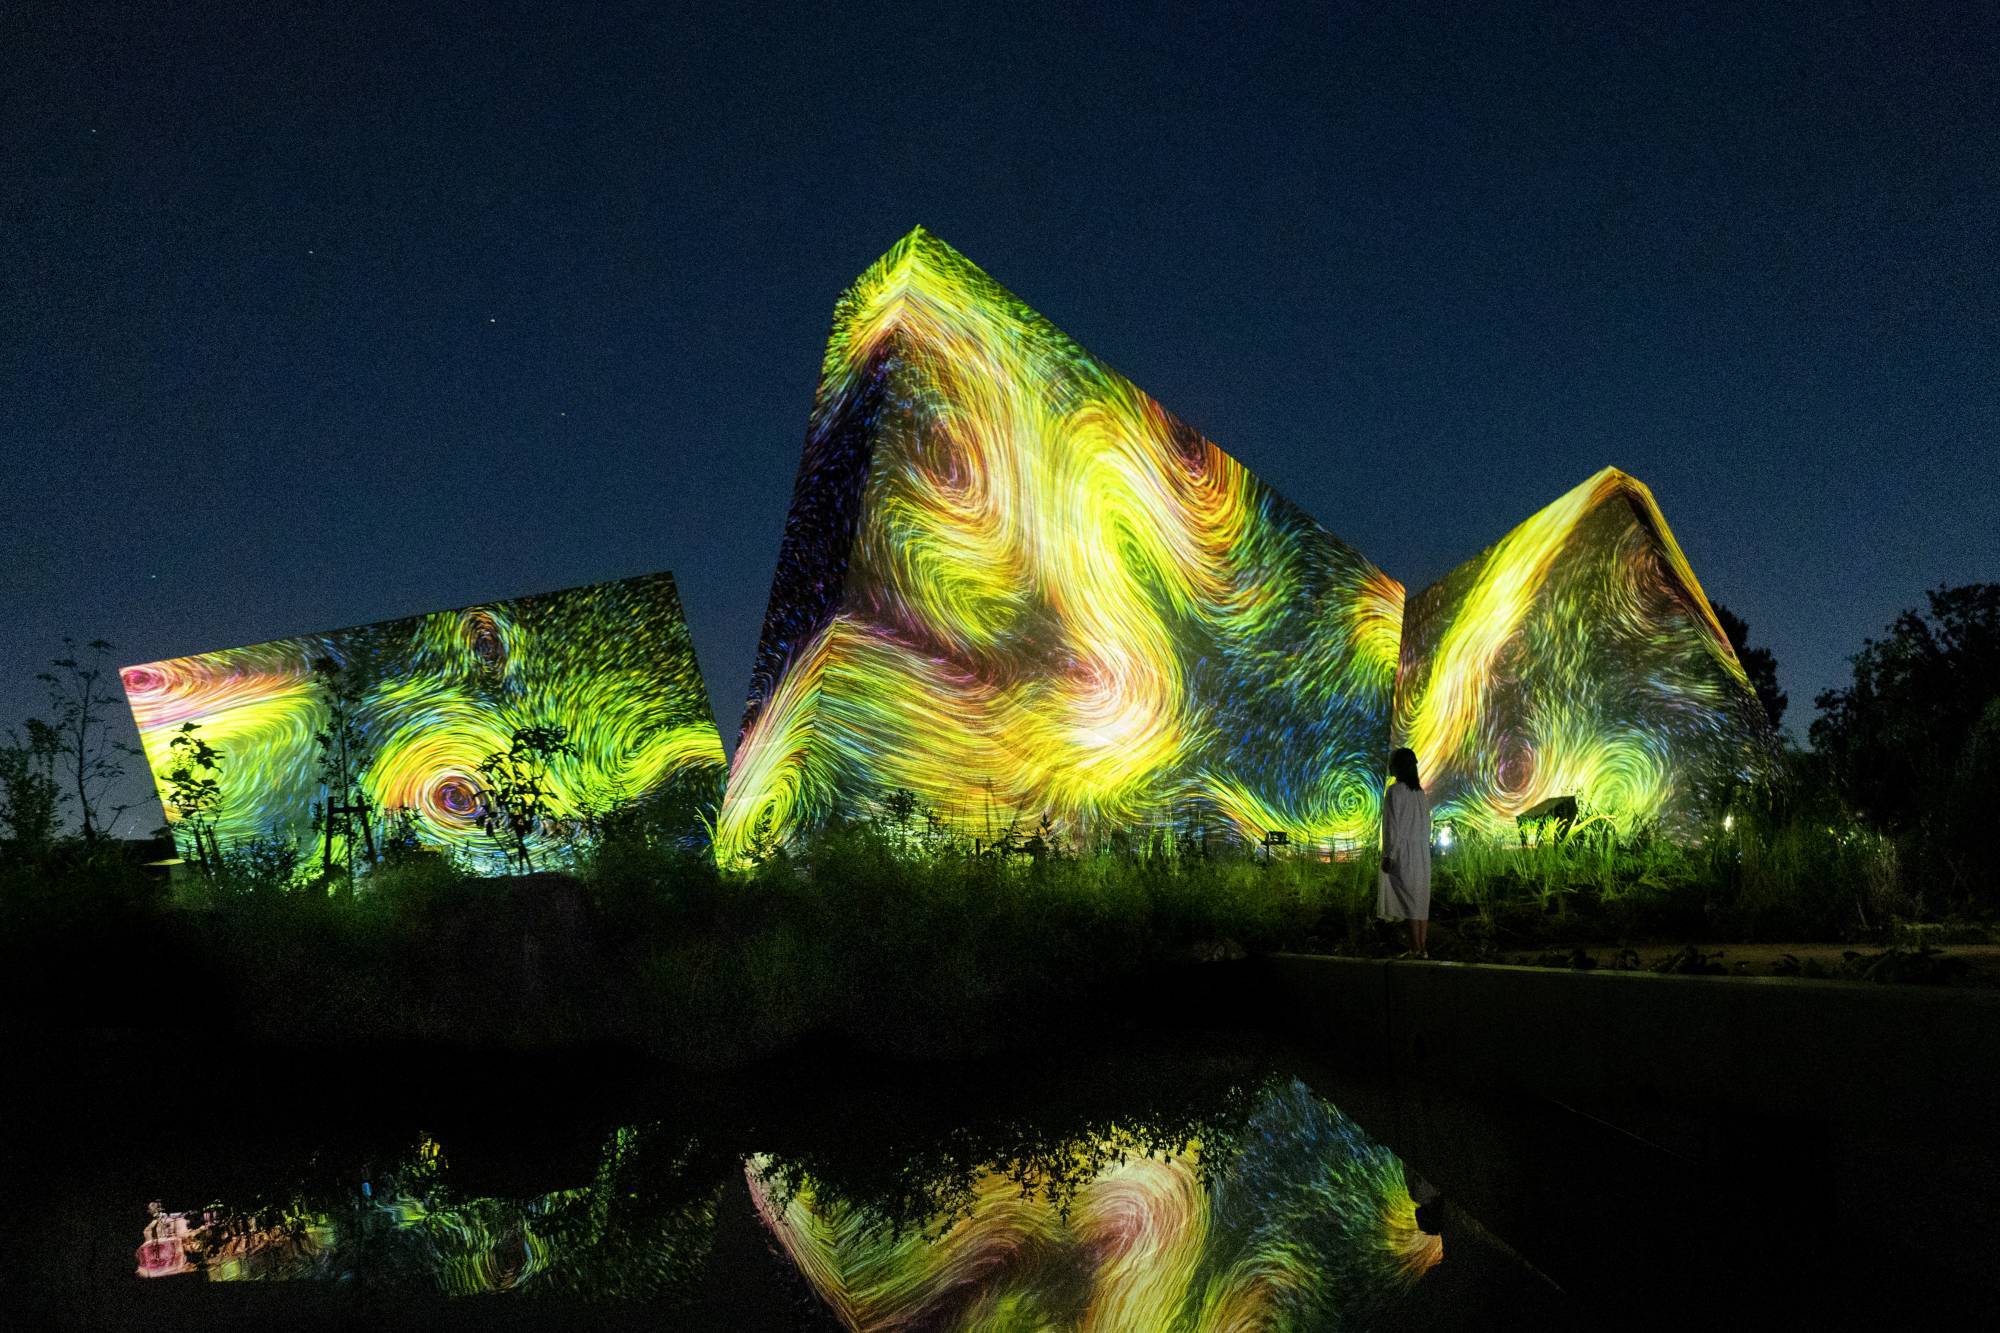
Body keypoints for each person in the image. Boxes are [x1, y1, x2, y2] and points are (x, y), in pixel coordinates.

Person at [1378, 747, 1433, 957]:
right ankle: (1422, 948)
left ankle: (1415, 948)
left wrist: (1389, 855)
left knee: (1409, 900)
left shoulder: (1394, 791)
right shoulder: (1420, 793)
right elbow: (1427, 824)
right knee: (1420, 899)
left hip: (1403, 852)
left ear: (1398, 767)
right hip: (1421, 853)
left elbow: (1392, 827)